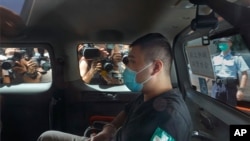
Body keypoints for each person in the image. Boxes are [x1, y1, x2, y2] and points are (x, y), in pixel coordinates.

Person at [37, 33, 193, 141]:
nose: (126, 69)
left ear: (156, 68)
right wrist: (110, 129)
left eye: (132, 61)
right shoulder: (148, 95)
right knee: (48, 137)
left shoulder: (170, 119)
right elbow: (126, 111)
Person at [211, 37, 249, 106]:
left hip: (230, 87)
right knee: (215, 107)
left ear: (230, 43)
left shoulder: (236, 57)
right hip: (217, 86)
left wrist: (241, 90)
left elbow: (244, 74)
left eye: (224, 43)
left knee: (230, 108)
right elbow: (210, 72)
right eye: (220, 43)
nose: (222, 45)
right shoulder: (215, 58)